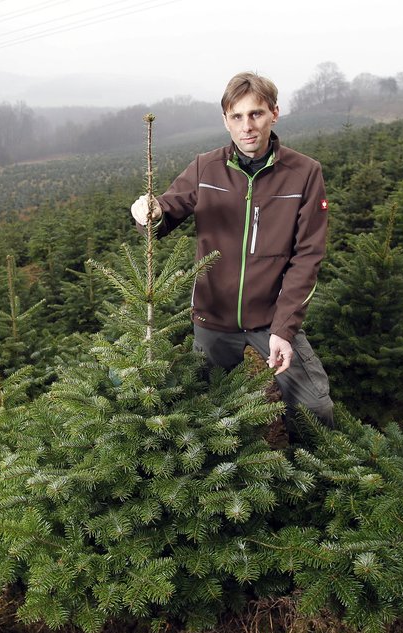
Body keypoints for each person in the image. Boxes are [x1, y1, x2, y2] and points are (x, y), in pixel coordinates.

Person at [130, 71, 334, 429]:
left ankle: (326, 476)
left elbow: (307, 258)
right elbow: (165, 212)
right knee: (207, 416)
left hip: (271, 318)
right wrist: (149, 212)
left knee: (314, 408)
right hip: (212, 319)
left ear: (274, 113)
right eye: (237, 116)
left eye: (256, 114)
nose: (247, 126)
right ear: (225, 121)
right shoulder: (205, 167)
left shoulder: (304, 173)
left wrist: (283, 330)